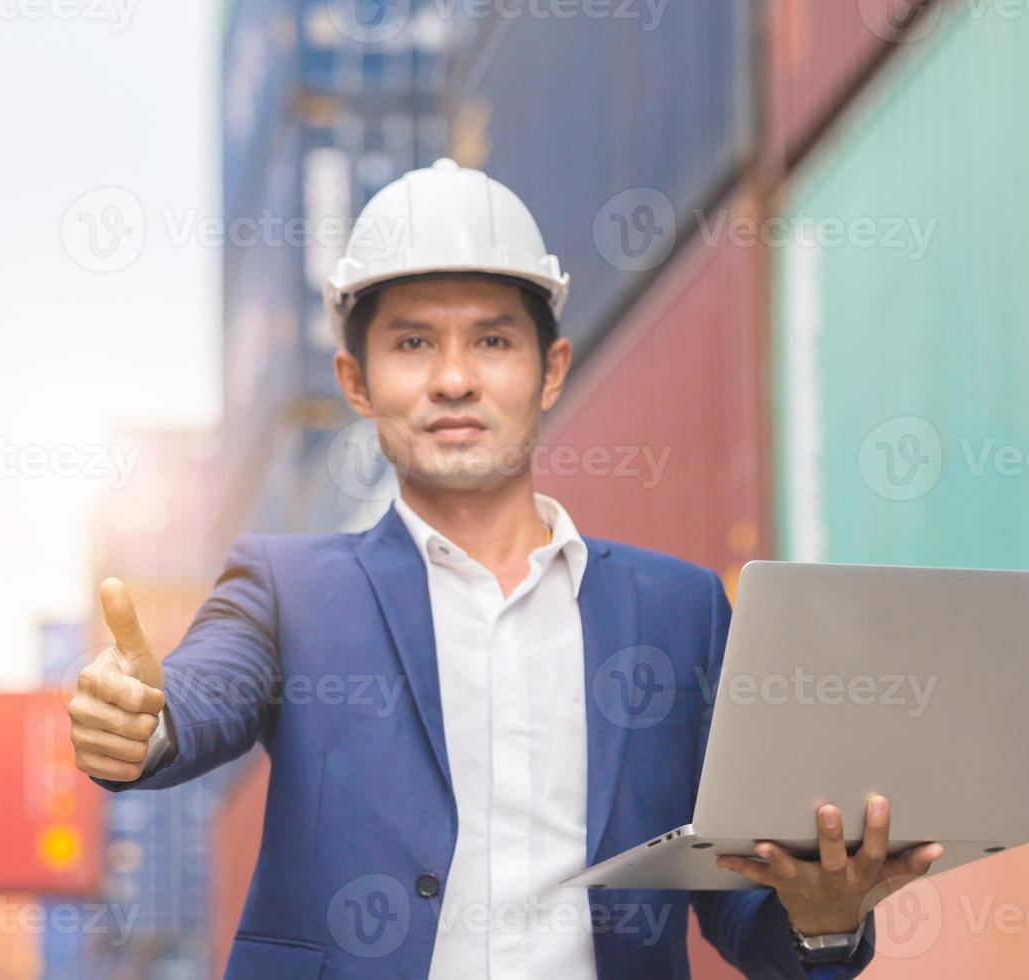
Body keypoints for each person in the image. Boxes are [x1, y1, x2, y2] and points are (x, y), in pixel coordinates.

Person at [66, 159, 942, 978]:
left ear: (550, 368)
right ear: (357, 380)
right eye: (412, 344)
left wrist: (823, 914)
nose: (453, 380)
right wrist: (144, 720)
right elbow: (199, 694)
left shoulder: (681, 611)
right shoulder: (285, 588)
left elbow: (742, 905)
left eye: (491, 341)